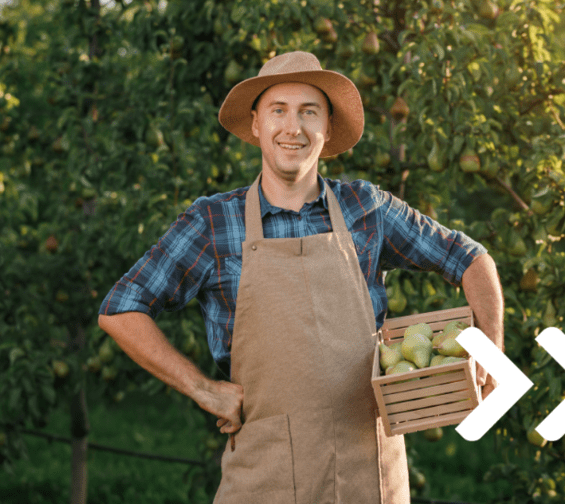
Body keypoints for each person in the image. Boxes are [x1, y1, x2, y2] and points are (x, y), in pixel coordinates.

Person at [98, 51, 504, 504]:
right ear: (256, 125)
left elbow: (470, 258)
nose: (293, 128)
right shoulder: (213, 223)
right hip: (264, 478)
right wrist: (203, 389)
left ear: (327, 129)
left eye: (309, 112)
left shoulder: (367, 210)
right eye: (279, 111)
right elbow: (121, 307)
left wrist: (490, 352)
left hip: (368, 476)